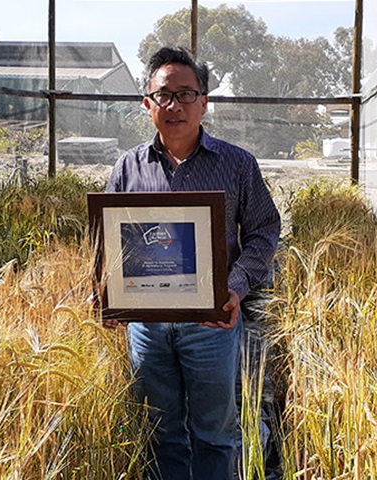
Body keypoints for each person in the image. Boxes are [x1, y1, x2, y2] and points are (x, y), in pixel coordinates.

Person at [104, 46, 281, 480]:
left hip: (212, 324)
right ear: (147, 105)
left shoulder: (237, 165)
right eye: (164, 95)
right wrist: (108, 293)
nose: (175, 106)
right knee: (161, 432)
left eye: (186, 94)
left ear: (205, 102)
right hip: (148, 327)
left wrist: (234, 287)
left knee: (216, 432)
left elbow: (263, 232)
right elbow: (106, 241)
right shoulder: (128, 168)